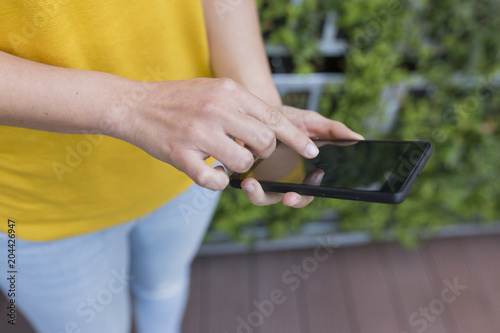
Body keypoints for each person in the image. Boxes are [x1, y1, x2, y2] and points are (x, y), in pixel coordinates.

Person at [0, 0, 363, 332]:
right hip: (37, 212)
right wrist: (131, 107)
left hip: (192, 171)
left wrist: (261, 108)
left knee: (165, 285)